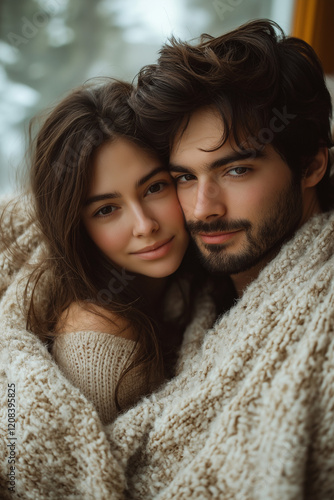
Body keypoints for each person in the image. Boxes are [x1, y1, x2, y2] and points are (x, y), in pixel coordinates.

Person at [0, 20, 333, 499]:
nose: (202, 210)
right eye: (183, 177)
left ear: (312, 166)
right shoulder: (101, 326)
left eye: (237, 169)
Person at [0, 78, 200, 426]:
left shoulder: (201, 274)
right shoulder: (97, 341)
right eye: (106, 210)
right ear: (78, 229)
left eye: (155, 187)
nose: (144, 225)